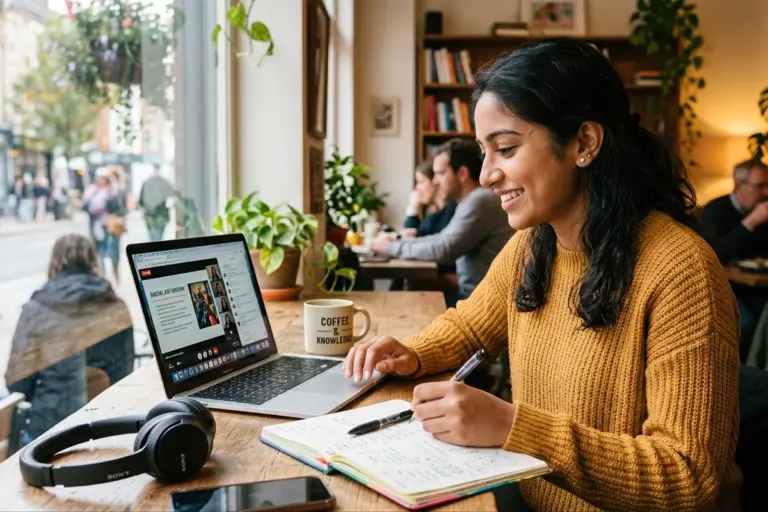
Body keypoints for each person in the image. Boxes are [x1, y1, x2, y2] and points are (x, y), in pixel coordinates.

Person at [346, 38, 741, 510]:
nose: (488, 174)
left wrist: (516, 428)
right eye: (483, 152)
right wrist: (412, 352)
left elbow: (688, 474)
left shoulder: (681, 270)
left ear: (584, 143)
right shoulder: (535, 244)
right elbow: (471, 325)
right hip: (528, 496)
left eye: (505, 149)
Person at [5, 234, 135, 442]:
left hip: (50, 432)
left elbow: (17, 382)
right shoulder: (115, 305)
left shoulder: (37, 308)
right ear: (93, 262)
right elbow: (125, 370)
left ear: (55, 264)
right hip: (108, 425)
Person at [371, 139, 513, 307]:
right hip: (473, 297)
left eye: (440, 173)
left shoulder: (479, 200)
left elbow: (444, 248)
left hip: (477, 304)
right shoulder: (472, 201)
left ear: (462, 173)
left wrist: (390, 248)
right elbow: (440, 239)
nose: (435, 181)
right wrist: (399, 243)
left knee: (398, 303)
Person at [700, 158, 768, 361]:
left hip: (759, 286)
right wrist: (751, 222)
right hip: (725, 289)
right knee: (744, 324)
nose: (766, 192)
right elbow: (716, 254)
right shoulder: (715, 210)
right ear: (739, 185)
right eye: (760, 186)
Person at [403, 159, 457, 239]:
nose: (417, 188)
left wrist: (412, 208)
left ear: (435, 181)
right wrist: (412, 208)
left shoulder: (451, 210)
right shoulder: (434, 211)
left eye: (421, 182)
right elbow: (412, 235)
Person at [138, 167, 174, 242]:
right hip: (161, 215)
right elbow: (171, 194)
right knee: (159, 237)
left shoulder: (146, 182)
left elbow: (140, 201)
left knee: (153, 238)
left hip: (150, 216)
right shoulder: (165, 182)